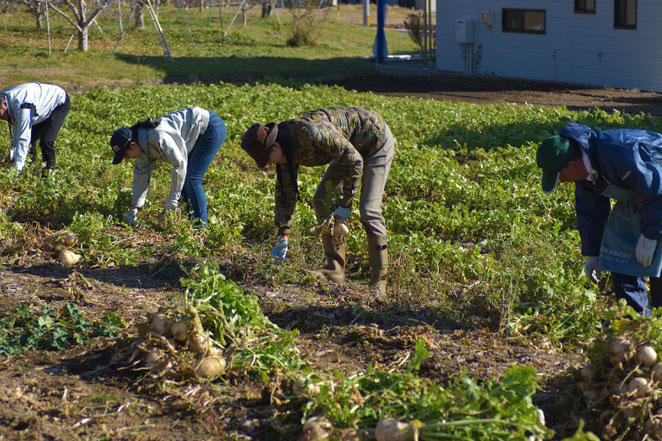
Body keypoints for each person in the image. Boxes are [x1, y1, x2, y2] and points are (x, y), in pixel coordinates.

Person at [240, 106, 395, 297]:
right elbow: (285, 192)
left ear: (276, 146)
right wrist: (283, 234)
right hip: (347, 149)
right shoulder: (285, 152)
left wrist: (345, 203)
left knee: (368, 210)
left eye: (267, 159)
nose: (269, 165)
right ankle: (335, 269)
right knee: (321, 200)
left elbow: (354, 161)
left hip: (374, 143)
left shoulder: (311, 133)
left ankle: (379, 282)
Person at [536, 122, 662, 316]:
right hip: (642, 196)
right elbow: (590, 211)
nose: (561, 181)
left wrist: (651, 234)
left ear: (573, 165)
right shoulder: (585, 172)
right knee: (619, 256)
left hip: (657, 194)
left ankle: (658, 325)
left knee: (659, 263)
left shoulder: (619, 153)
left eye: (560, 176)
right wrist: (594, 252)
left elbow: (656, 189)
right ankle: (634, 324)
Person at [109, 107, 226, 226]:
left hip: (210, 127)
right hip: (197, 133)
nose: (128, 158)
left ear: (132, 145)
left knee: (191, 179)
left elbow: (179, 165)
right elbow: (141, 177)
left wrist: (172, 201)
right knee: (186, 180)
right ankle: (191, 220)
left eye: (126, 155)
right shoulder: (142, 147)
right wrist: (134, 209)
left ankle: (200, 227)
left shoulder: (158, 137)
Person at [0, 82, 70, 174]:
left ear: (4, 104)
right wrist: (12, 154)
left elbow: (23, 138)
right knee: (30, 142)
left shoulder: (23, 107)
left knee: (46, 140)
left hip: (58, 103)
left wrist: (16, 170)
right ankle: (29, 169)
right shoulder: (5, 97)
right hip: (39, 104)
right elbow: (16, 127)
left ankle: (49, 171)